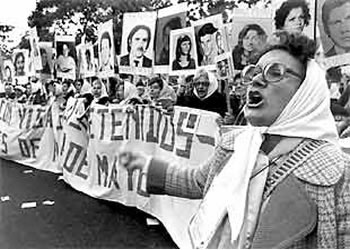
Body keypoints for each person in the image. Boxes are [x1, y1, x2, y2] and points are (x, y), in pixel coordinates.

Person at [119, 31, 350, 248]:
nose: (257, 81)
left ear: (307, 91)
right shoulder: (234, 144)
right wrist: (146, 165)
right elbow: (199, 182)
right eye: (254, 72)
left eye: (275, 72)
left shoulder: (339, 173)